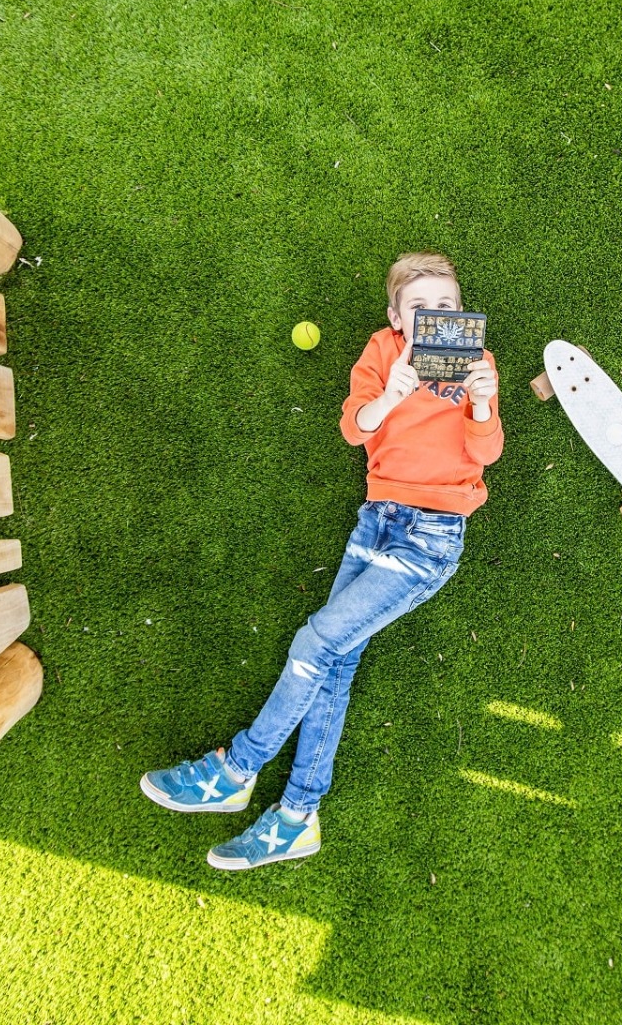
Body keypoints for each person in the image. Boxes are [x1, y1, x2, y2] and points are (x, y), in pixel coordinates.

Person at [141, 252, 504, 869]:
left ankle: (238, 768)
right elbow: (354, 430)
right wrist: (391, 396)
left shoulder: (478, 364)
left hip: (432, 536)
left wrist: (479, 405)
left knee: (316, 643)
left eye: (447, 305)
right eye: (421, 308)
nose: (436, 315)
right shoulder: (382, 353)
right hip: (378, 518)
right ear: (397, 318)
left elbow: (487, 452)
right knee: (335, 661)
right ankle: (297, 819)